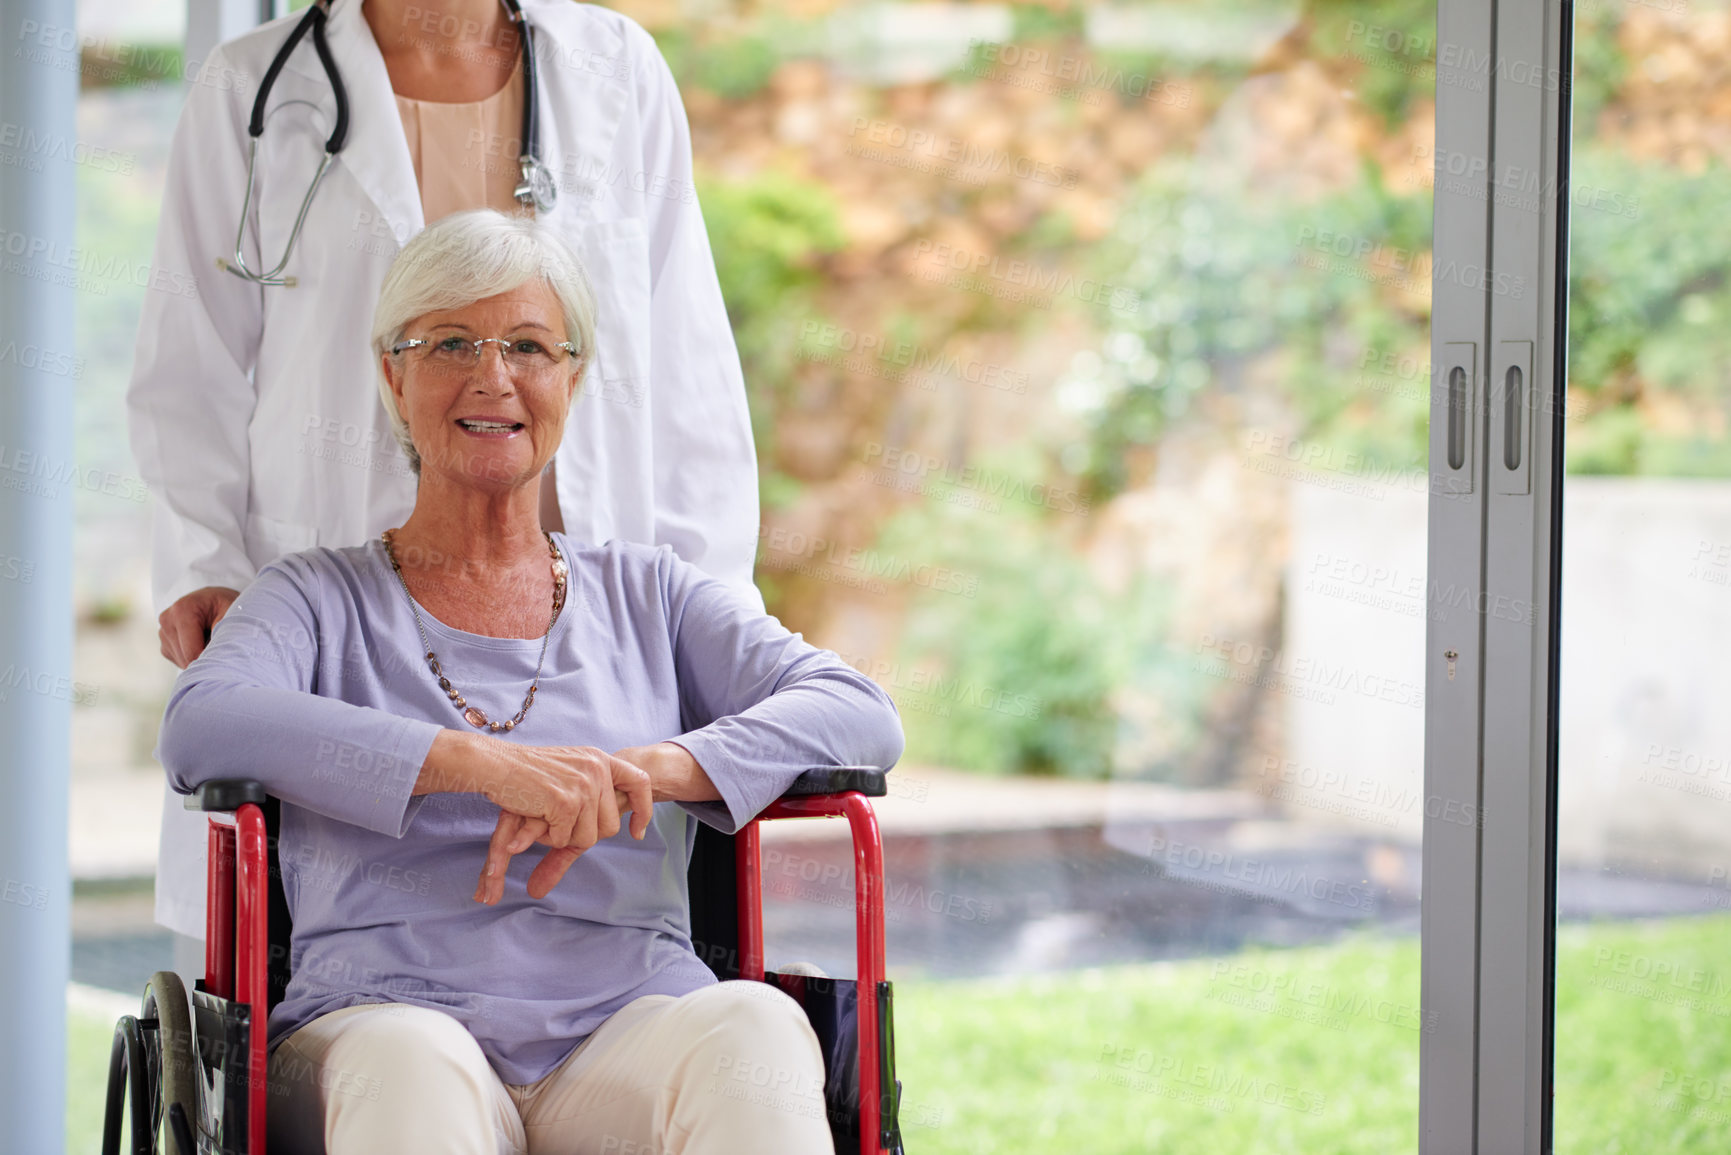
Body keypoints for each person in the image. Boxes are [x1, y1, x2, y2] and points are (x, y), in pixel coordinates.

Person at [156, 210, 901, 1154]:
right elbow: (200, 725)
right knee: (412, 1063)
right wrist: (476, 764)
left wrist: (654, 769)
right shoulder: (313, 596)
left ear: (572, 378)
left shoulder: (652, 593)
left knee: (752, 1026)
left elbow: (858, 711)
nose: (492, 375)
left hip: (626, 1029)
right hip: (380, 1025)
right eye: (450, 343)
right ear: (394, 373)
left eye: (528, 346)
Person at [128, 0, 760, 967]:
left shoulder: (615, 67)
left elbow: (688, 358)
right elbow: (190, 360)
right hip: (344, 580)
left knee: (595, 908)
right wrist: (204, 556)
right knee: (352, 891)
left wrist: (710, 601)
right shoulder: (253, 88)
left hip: (567, 606)